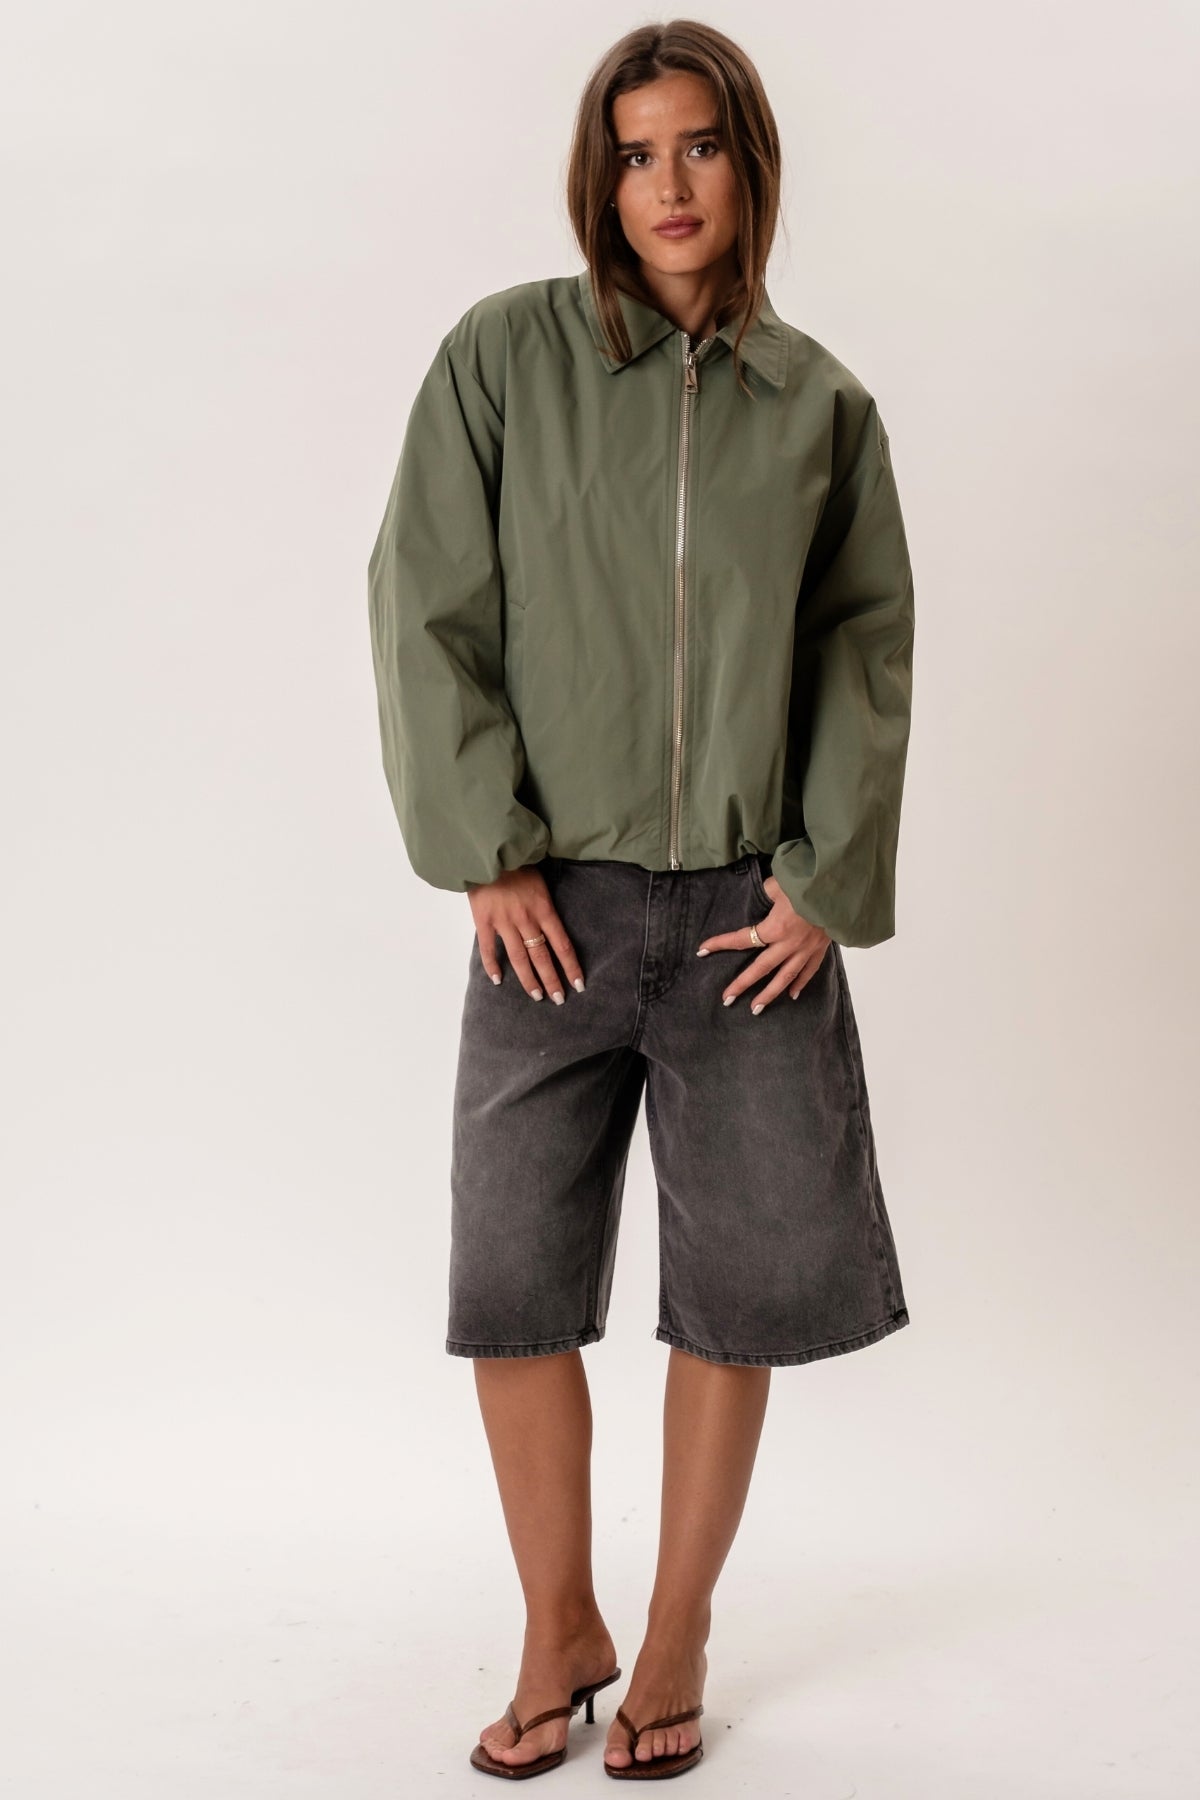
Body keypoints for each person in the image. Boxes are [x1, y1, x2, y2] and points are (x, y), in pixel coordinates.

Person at [366, 18, 916, 1783]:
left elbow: (865, 654)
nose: (666, 184)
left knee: (734, 1296)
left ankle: (674, 1631)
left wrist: (823, 880)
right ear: (597, 179)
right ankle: (561, 1626)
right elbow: (424, 601)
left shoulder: (816, 404)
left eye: (698, 145)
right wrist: (486, 847)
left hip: (751, 923)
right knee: (512, 1285)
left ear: (750, 161)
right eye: (632, 153)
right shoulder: (504, 358)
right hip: (550, 909)